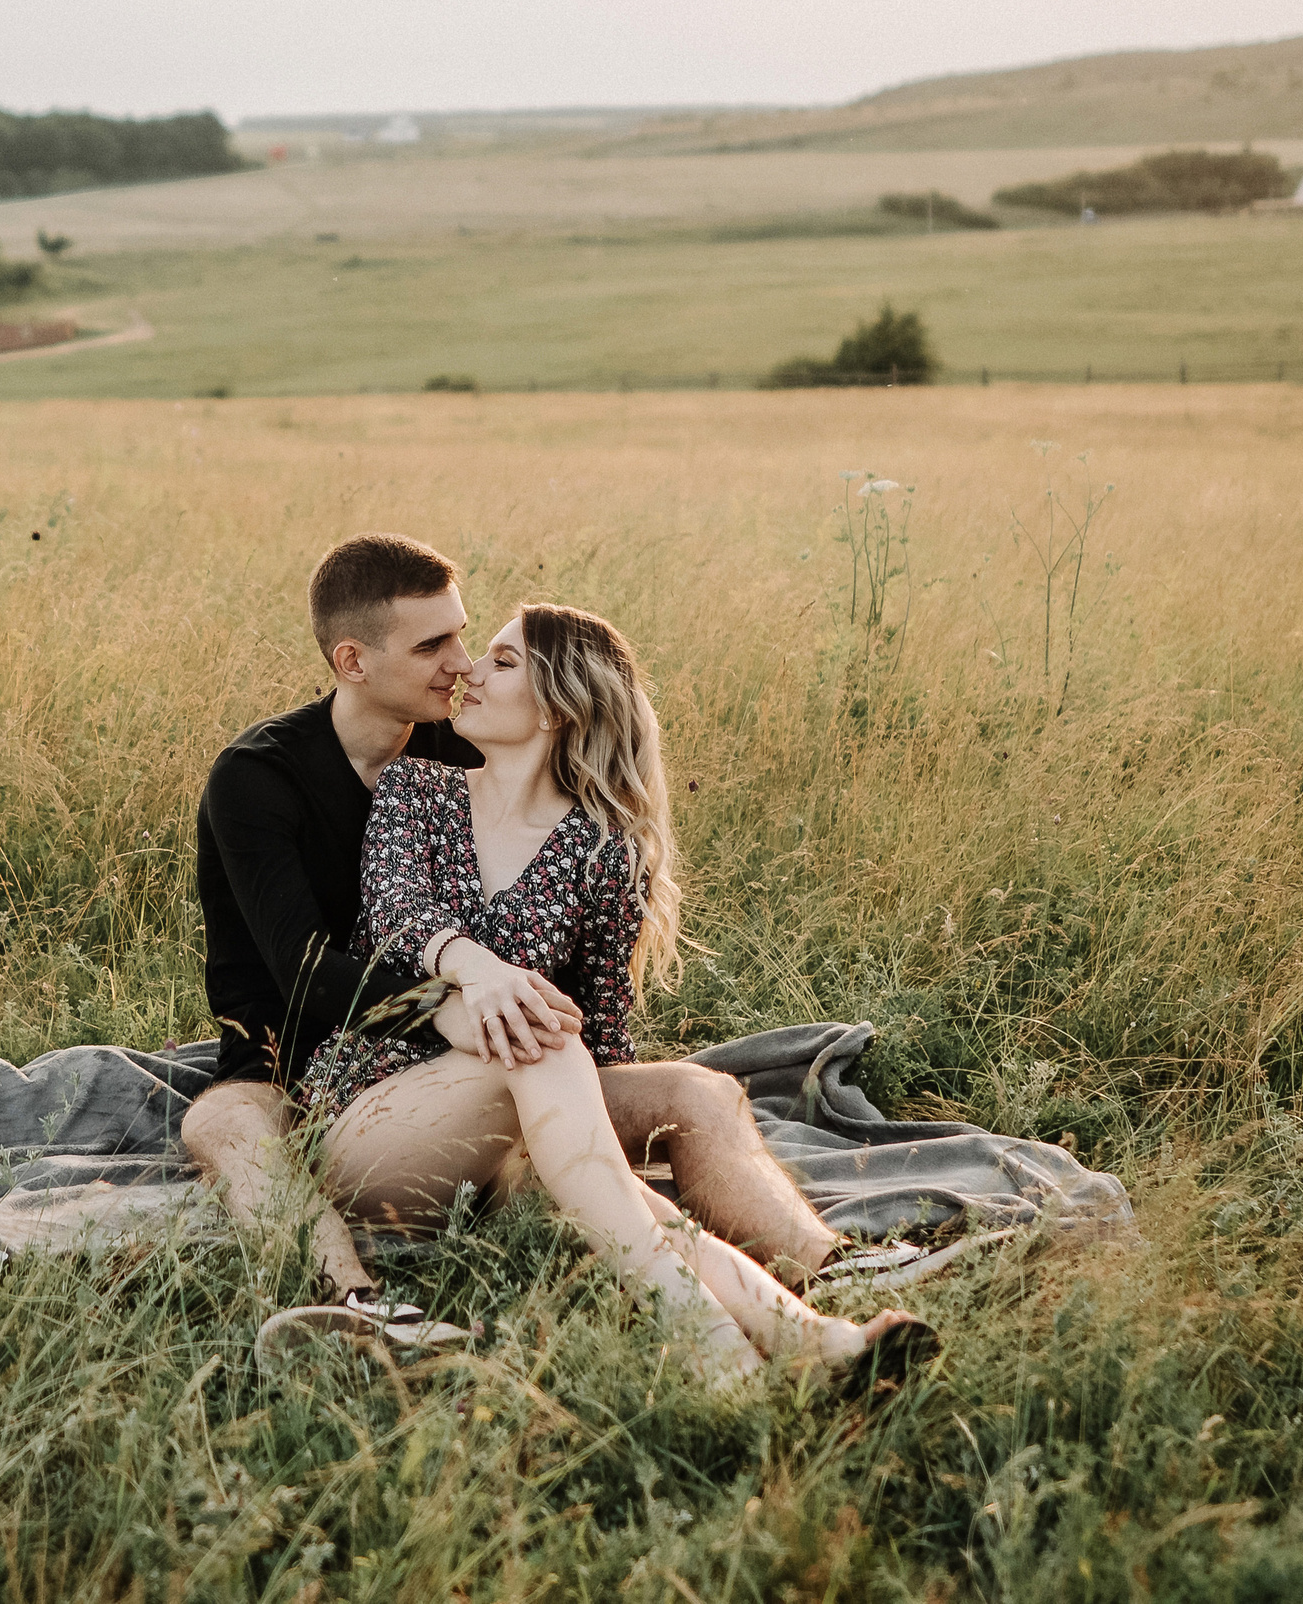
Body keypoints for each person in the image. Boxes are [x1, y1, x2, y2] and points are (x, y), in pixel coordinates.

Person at [179, 535, 872, 1359]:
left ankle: (842, 1279)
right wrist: (450, 1006)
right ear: (353, 660)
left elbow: (579, 953)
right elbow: (306, 975)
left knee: (699, 1092)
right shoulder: (260, 779)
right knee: (222, 1123)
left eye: (467, 638)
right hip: (295, 1062)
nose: (463, 665)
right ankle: (359, 1312)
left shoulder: (462, 745)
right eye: (433, 646)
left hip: (502, 1062)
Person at [298, 600, 933, 1390]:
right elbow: (396, 914)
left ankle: (812, 1338)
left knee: (622, 1190)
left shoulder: (600, 849)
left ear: (559, 706)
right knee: (544, 1042)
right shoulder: (417, 791)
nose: (468, 671)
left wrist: (593, 1153)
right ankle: (702, 1336)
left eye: (501, 661)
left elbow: (602, 1023)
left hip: (502, 1145)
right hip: (374, 1120)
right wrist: (478, 969)